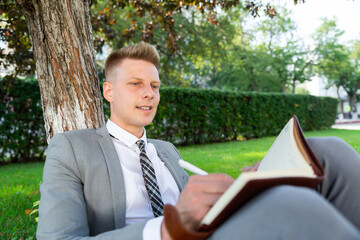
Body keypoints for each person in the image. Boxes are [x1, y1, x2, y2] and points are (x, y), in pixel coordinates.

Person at [37, 42, 360, 239]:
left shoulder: (165, 150)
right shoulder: (72, 147)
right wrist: (168, 230)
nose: (149, 93)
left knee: (327, 150)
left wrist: (242, 187)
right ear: (109, 91)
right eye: (135, 83)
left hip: (207, 232)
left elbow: (197, 205)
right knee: (290, 203)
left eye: (155, 85)